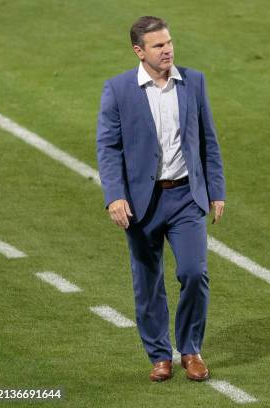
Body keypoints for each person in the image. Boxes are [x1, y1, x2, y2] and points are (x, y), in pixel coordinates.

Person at [96, 16, 226, 382]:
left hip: (186, 196)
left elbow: (208, 140)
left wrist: (216, 190)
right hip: (141, 203)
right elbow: (108, 147)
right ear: (139, 51)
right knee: (147, 281)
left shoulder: (193, 82)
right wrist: (114, 196)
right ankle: (159, 355)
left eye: (169, 42)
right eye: (157, 45)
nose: (167, 49)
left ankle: (190, 349)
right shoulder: (118, 90)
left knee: (194, 272)